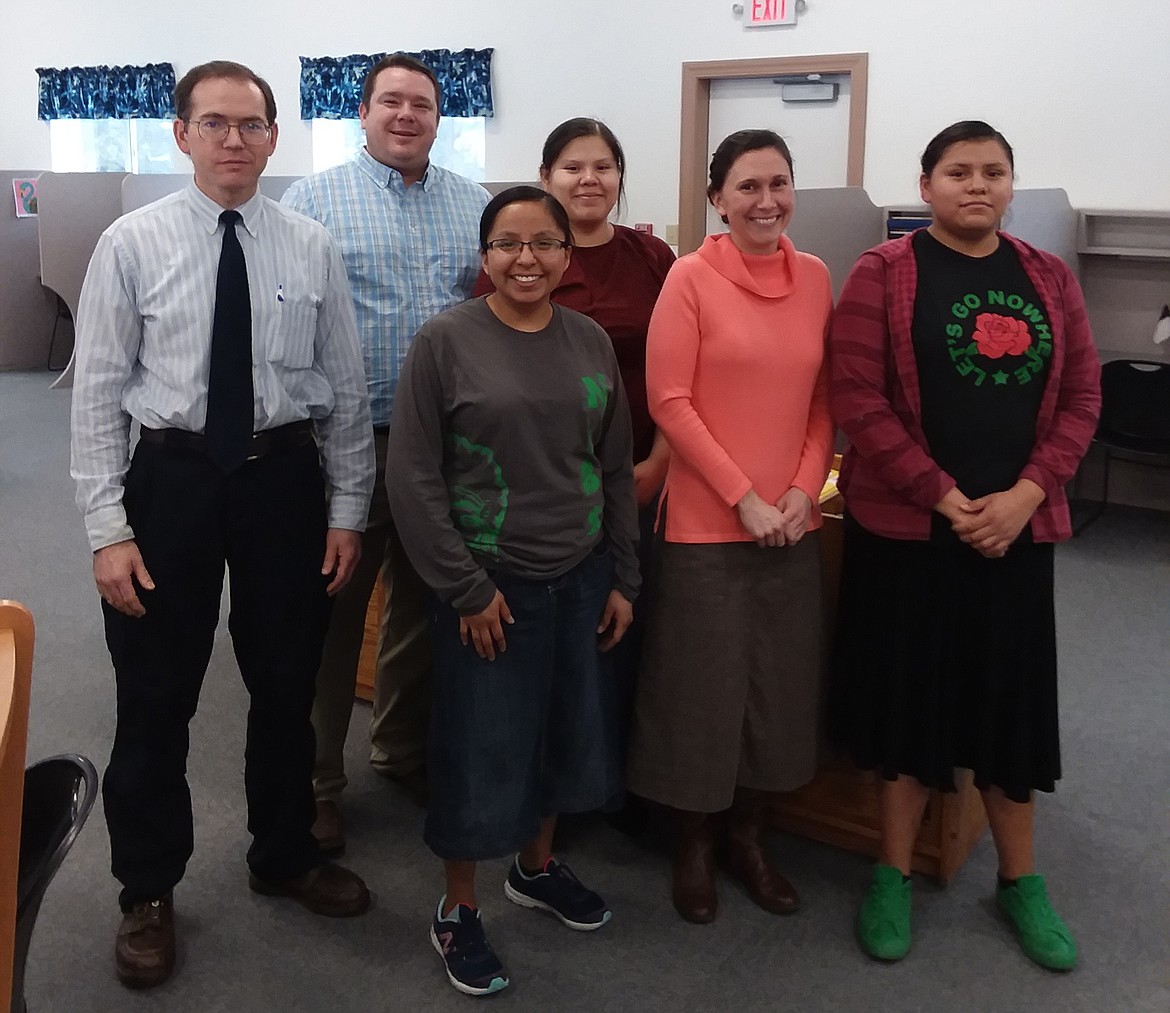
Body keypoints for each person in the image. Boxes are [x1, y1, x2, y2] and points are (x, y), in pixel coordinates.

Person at [69, 60, 376, 989]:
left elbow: (347, 394)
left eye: (250, 124)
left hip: (284, 482)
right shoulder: (129, 243)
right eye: (214, 123)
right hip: (172, 481)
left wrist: (349, 508)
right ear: (181, 133)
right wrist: (106, 528)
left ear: (275, 136)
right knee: (157, 693)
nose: (233, 139)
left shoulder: (310, 244)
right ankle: (147, 888)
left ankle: (283, 850)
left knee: (286, 682)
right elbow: (95, 400)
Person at [827, 120, 1101, 970]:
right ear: (927, 184)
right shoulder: (883, 272)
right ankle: (891, 873)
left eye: (992, 172)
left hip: (1016, 532)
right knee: (907, 703)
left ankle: (1020, 880)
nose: (975, 185)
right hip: (911, 529)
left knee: (1007, 703)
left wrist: (1024, 495)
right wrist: (947, 499)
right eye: (957, 172)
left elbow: (1083, 396)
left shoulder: (1048, 277)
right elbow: (859, 401)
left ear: (1012, 185)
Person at [386, 186, 640, 996]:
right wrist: (464, 589)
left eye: (543, 243)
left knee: (566, 732)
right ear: (484, 254)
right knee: (480, 748)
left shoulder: (590, 339)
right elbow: (413, 478)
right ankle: (458, 906)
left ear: (568, 254)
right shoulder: (445, 340)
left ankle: (536, 866)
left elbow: (614, 468)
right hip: (490, 584)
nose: (525, 258)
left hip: (580, 575)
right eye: (507, 243)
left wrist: (624, 574)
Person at [282, 53, 490, 851]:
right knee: (332, 616)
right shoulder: (313, 202)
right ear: (362, 113)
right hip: (348, 439)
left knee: (426, 602)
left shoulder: (473, 205)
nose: (407, 115)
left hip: (445, 442)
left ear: (441, 118)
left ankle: (401, 749)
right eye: (391, 102)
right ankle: (316, 782)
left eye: (423, 104)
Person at [627, 129, 833, 924]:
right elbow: (670, 401)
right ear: (717, 198)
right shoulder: (690, 277)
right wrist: (743, 494)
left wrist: (802, 492)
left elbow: (823, 399)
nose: (766, 201)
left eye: (779, 183)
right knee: (698, 692)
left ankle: (750, 836)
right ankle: (695, 842)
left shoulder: (815, 277)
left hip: (791, 522)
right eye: (747, 186)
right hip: (709, 522)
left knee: (776, 691)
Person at [473, 117, 674, 823]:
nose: (589, 180)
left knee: (631, 626)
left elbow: (683, 364)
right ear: (548, 176)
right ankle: (557, 798)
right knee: (565, 643)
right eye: (572, 167)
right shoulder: (522, 255)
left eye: (603, 167)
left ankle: (616, 782)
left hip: (644, 468)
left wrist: (657, 459)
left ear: (620, 178)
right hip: (547, 483)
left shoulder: (653, 256)